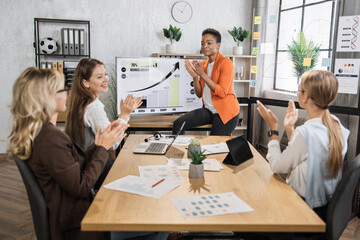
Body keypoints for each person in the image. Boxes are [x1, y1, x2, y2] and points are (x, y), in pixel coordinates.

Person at [7, 68, 169, 240]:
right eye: (62, 89)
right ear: (46, 98)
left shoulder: (44, 134)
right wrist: (103, 148)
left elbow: (74, 167)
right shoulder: (50, 139)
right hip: (80, 225)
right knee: (160, 223)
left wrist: (98, 145)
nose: (67, 93)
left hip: (74, 215)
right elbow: (82, 186)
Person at [257, 70, 350, 221]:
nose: (297, 93)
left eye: (299, 90)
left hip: (300, 209)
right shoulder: (336, 126)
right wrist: (289, 128)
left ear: (305, 96)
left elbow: (276, 166)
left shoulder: (306, 133)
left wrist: (273, 128)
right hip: (322, 210)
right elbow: (307, 154)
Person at [65, 58, 142, 190]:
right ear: (85, 83)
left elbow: (107, 133)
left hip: (84, 166)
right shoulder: (93, 108)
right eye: (99, 77)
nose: (106, 79)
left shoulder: (81, 102)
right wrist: (125, 114)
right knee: (135, 169)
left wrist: (124, 114)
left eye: (105, 74)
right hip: (93, 170)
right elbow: (113, 144)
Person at [172, 28, 239, 136]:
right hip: (209, 110)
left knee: (214, 146)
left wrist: (202, 74)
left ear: (218, 45)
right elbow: (199, 94)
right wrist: (194, 76)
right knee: (178, 124)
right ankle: (179, 151)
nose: (205, 46)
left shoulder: (226, 63)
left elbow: (222, 92)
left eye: (209, 43)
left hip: (225, 112)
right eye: (202, 43)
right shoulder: (204, 64)